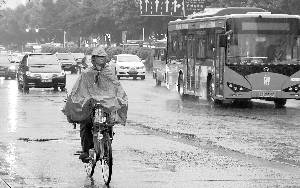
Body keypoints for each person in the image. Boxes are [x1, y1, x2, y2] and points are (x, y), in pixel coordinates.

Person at [63, 46, 128, 161]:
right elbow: (79, 89)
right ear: (93, 59)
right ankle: (87, 150)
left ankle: (106, 145)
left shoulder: (108, 72)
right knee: (86, 123)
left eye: (102, 58)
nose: (100, 60)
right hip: (92, 104)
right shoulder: (87, 73)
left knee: (108, 124)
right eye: (98, 58)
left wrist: (119, 99)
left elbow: (116, 87)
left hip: (106, 105)